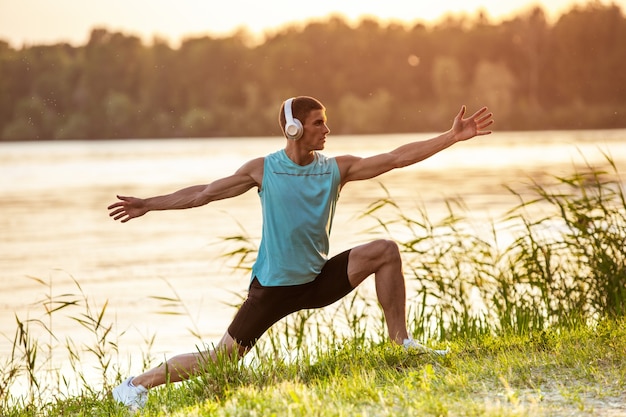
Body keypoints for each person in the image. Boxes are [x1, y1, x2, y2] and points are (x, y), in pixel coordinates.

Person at [108, 96, 494, 408]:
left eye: (325, 122)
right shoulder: (263, 170)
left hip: (317, 279)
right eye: (318, 123)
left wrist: (450, 137)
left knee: (385, 252)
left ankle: (402, 343)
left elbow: (394, 158)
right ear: (294, 128)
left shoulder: (335, 169)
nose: (327, 129)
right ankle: (135, 385)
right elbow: (202, 193)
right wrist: (149, 204)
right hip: (272, 289)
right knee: (219, 360)